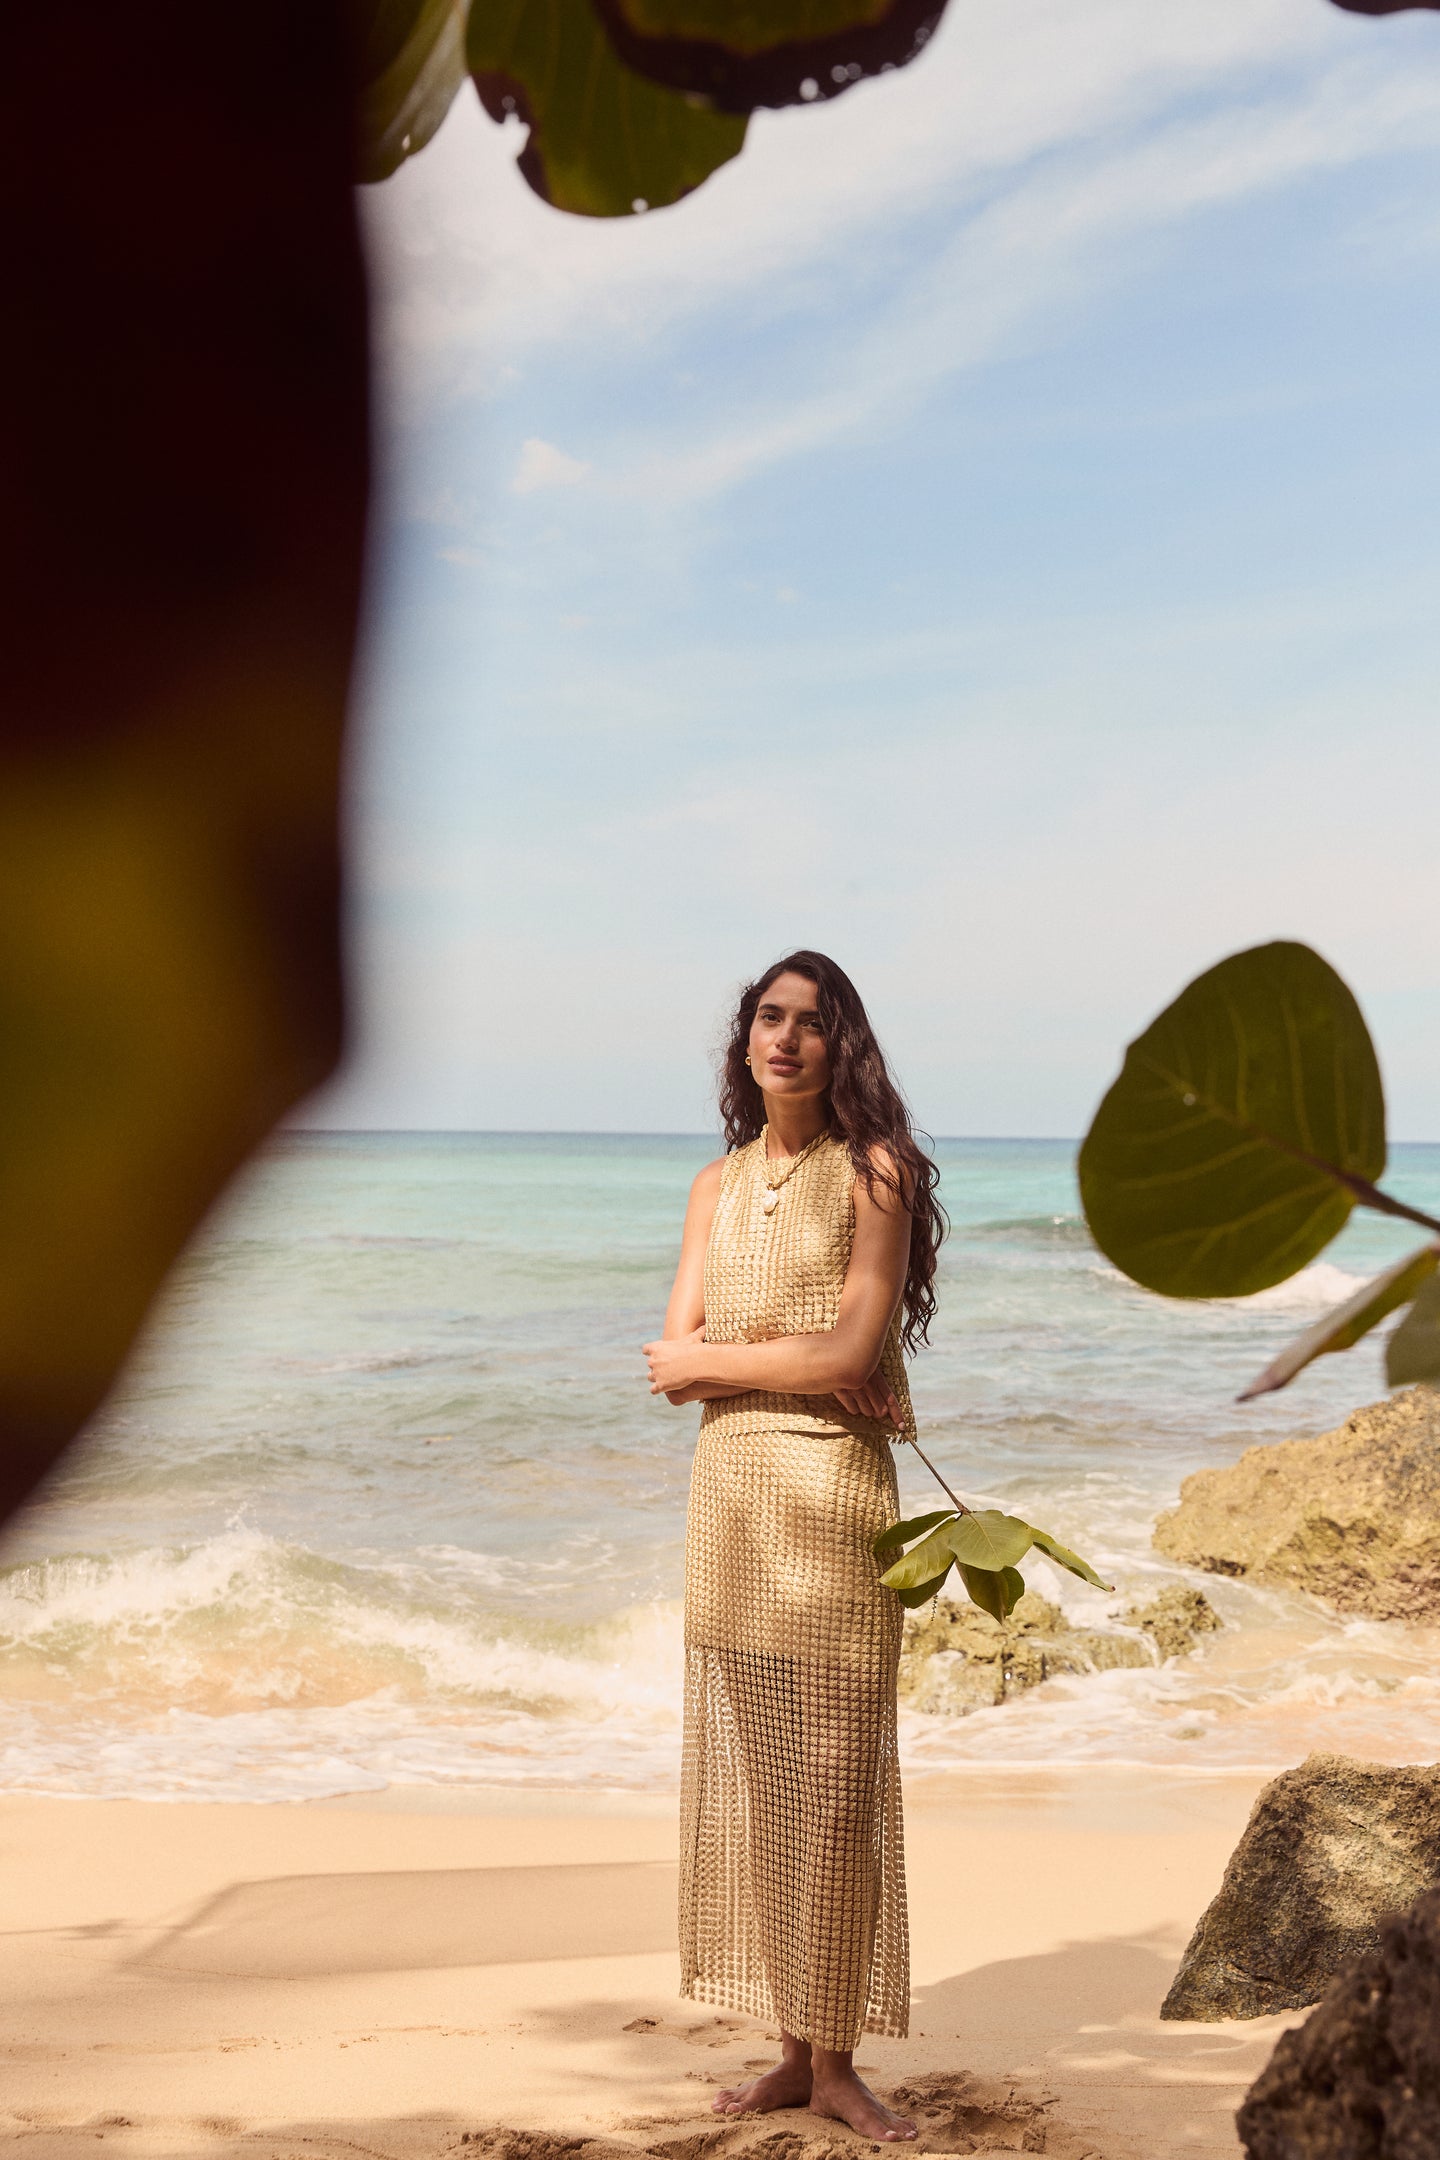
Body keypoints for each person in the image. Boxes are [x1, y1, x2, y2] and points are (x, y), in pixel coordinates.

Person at [643, 950, 944, 2142]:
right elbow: (671, 1363)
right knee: (770, 1789)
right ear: (746, 1039)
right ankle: (791, 2051)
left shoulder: (877, 1172)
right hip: (731, 1505)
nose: (785, 1038)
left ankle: (838, 2063)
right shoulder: (712, 1187)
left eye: (811, 1022)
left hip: (833, 1506)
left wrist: (755, 1358)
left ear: (840, 1045)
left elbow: (850, 1354)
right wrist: (798, 1360)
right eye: (768, 1017)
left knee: (837, 1792)